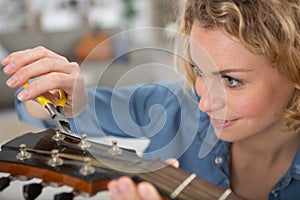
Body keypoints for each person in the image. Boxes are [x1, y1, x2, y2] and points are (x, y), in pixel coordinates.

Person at [2, 0, 300, 199]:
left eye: (231, 80)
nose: (205, 103)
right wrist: (58, 97)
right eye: (199, 71)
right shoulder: (173, 105)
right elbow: (47, 110)